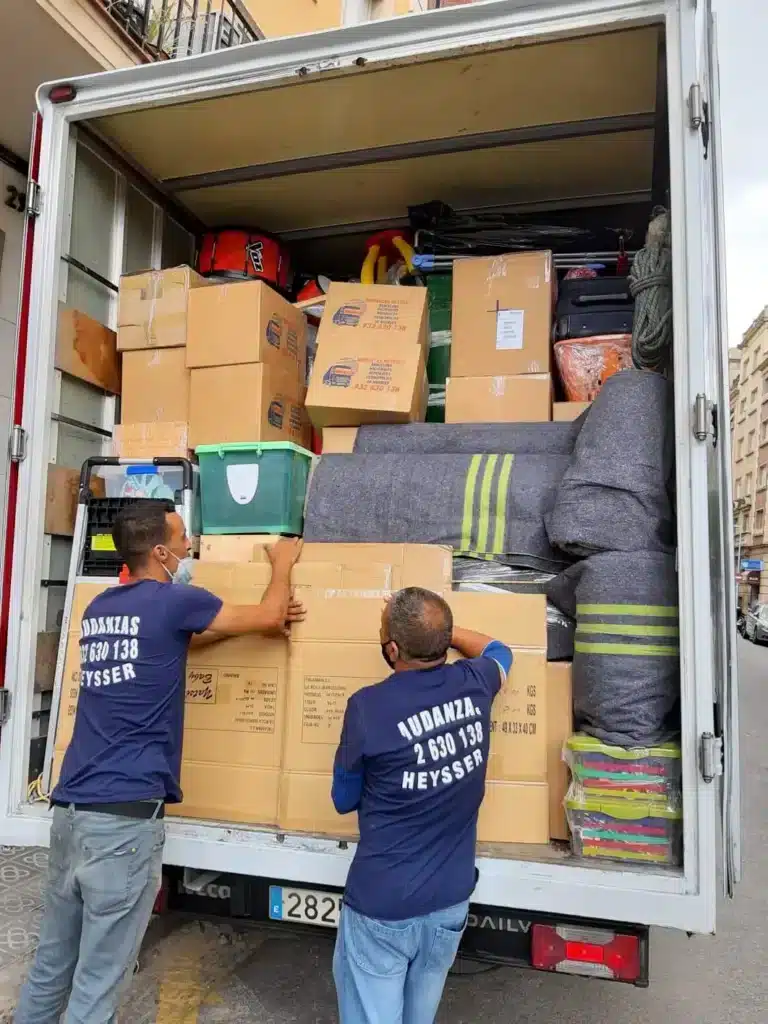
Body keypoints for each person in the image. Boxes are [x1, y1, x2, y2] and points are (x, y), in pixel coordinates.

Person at [15, 500, 304, 1024]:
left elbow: (171, 646)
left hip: (72, 811)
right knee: (99, 981)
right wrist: (282, 563)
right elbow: (268, 613)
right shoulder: (174, 601)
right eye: (182, 536)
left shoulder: (100, 608)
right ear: (160, 551)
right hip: (123, 823)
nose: (190, 544)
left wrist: (244, 628)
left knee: (52, 964)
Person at [331, 587, 512, 1024]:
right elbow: (499, 649)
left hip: (383, 906)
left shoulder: (368, 708)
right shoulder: (477, 681)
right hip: (449, 901)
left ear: (392, 648)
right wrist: (438, 633)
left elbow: (343, 799)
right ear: (444, 642)